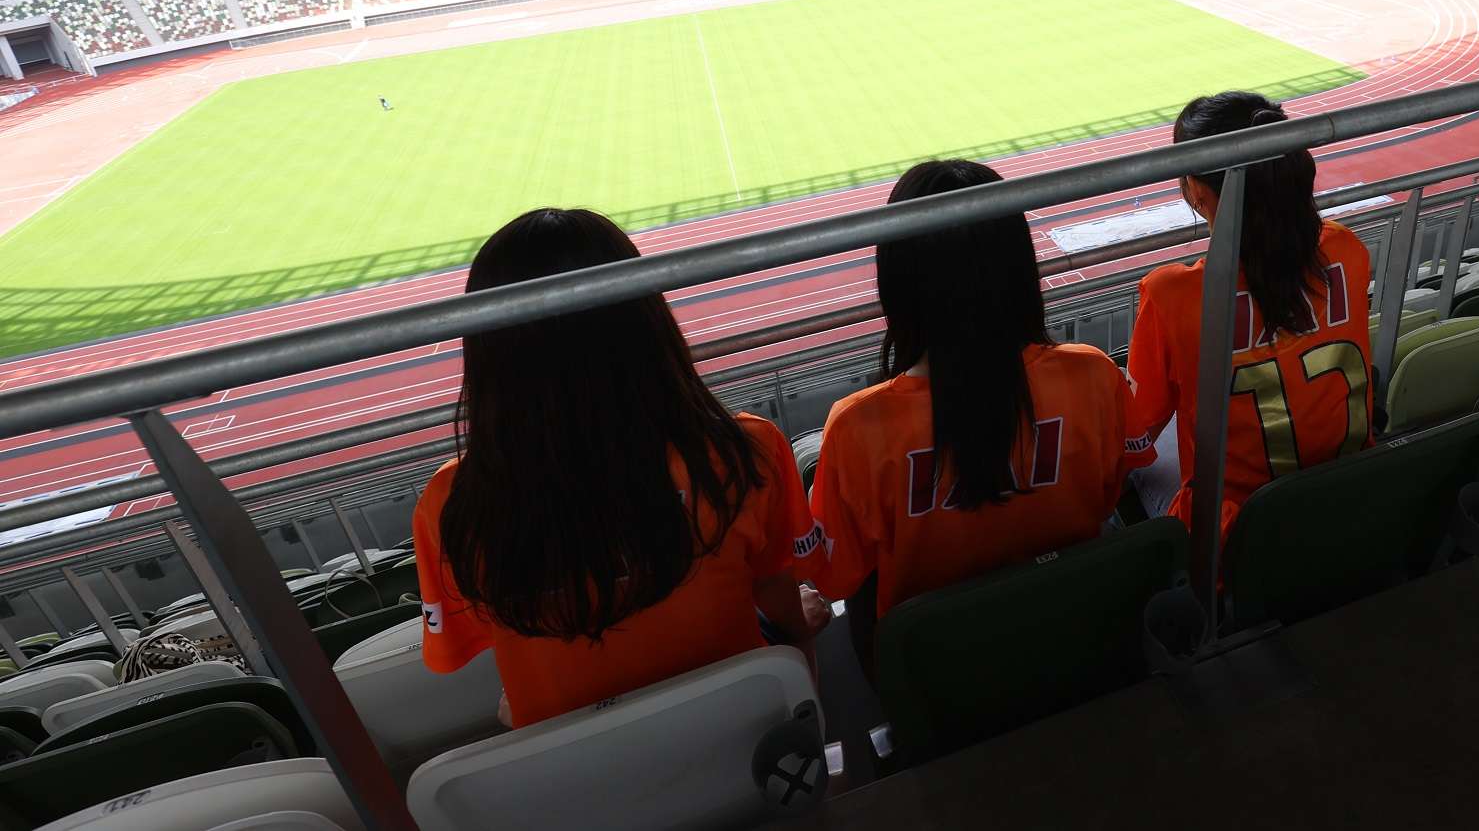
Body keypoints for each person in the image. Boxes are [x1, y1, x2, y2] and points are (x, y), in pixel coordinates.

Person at [414, 207, 821, 728]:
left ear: (488, 349)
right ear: (647, 319)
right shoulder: (745, 451)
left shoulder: (453, 502)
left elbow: (485, 645)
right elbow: (787, 616)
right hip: (745, 745)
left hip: (579, 771)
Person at [806, 160, 1136, 655]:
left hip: (938, 672)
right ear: (1019, 264)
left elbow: (834, 576)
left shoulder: (858, 425)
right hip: (1077, 637)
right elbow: (1108, 498)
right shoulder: (1092, 374)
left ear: (896, 280)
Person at [1126, 91, 1373, 539]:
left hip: (1236, 536)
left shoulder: (1171, 294)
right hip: (1349, 500)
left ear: (1197, 190)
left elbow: (1137, 430)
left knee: (1137, 466)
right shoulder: (1345, 249)